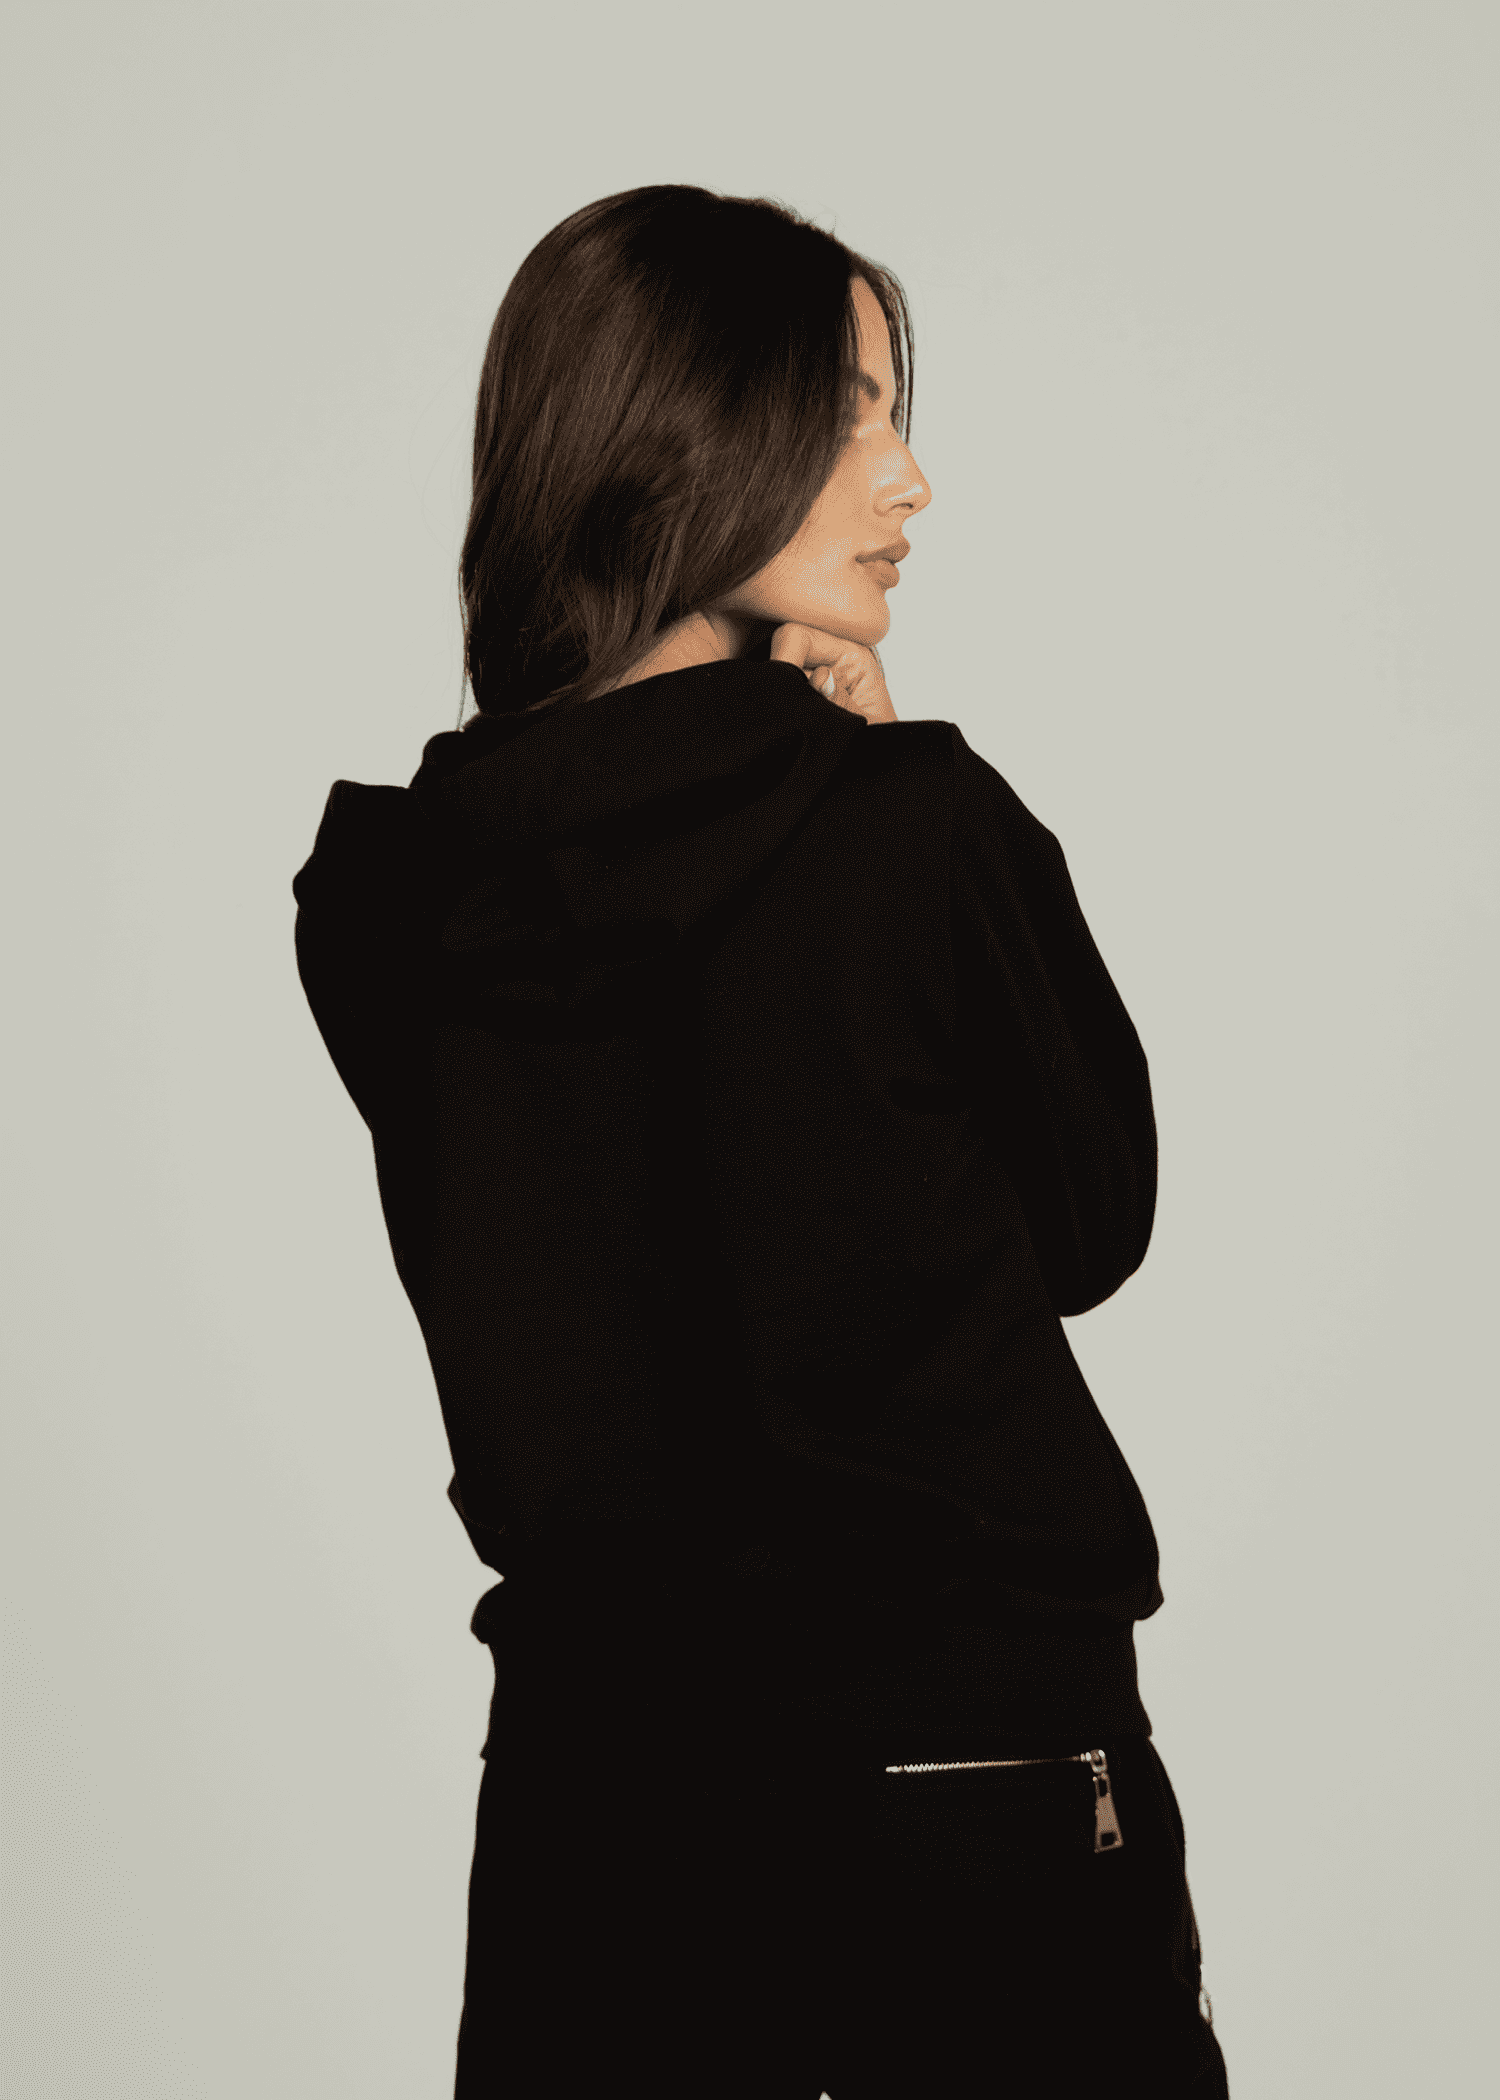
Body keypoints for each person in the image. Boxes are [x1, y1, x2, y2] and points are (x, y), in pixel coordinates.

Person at [292, 184, 1230, 2098]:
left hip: (596, 1810)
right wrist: (874, 772)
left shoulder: (394, 897)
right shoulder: (912, 825)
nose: (911, 481)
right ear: (692, 439)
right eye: (855, 412)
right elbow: (1090, 1223)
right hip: (966, 1766)